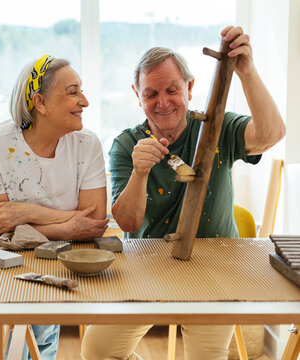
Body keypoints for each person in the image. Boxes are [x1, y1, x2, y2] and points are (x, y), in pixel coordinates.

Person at [81, 26, 285, 360]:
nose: (162, 102)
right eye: (151, 94)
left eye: (172, 90)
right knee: (97, 351)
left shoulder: (217, 125)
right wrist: (140, 172)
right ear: (137, 94)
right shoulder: (126, 144)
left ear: (190, 87)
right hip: (147, 265)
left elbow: (271, 133)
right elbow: (128, 219)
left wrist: (246, 72)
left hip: (215, 265)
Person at [0, 55, 109, 359]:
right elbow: (2, 233)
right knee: (7, 341)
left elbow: (95, 223)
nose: (84, 101)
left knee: (43, 336)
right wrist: (68, 225)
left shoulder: (87, 144)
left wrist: (28, 213)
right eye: (73, 92)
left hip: (53, 250)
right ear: (40, 102)